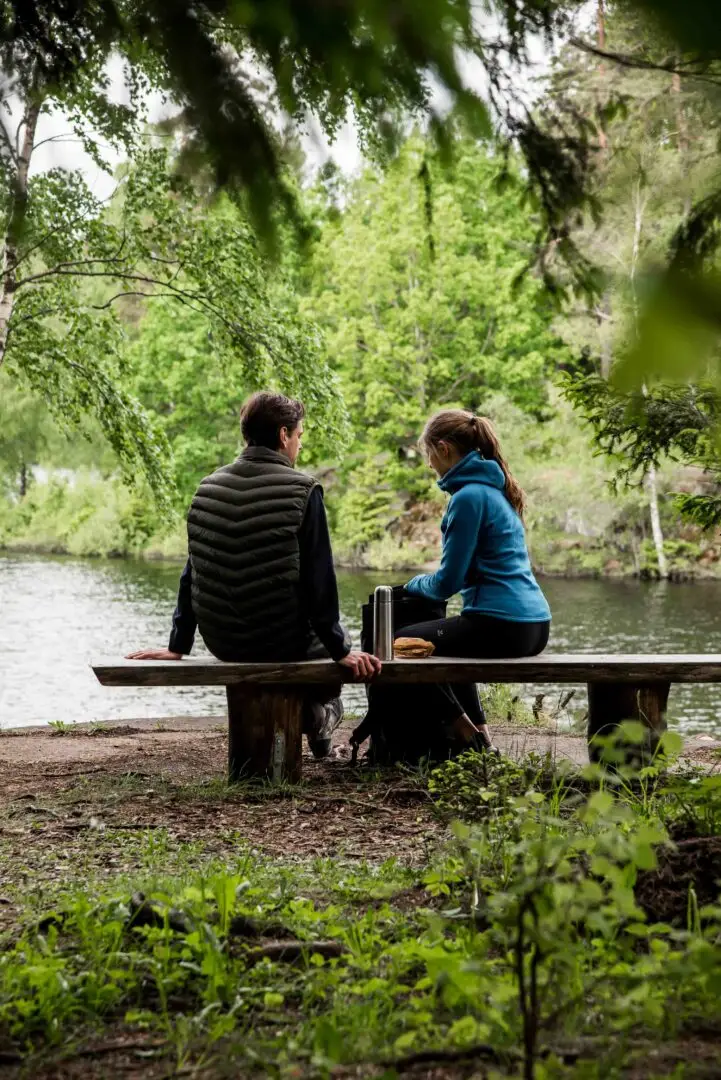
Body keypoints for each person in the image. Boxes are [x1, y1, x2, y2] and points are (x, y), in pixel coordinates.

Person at [127, 391, 381, 758]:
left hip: (224, 641)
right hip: (283, 641)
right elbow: (318, 582)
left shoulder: (206, 488)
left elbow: (192, 572)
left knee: (305, 636)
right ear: (283, 435)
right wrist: (341, 649)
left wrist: (178, 645)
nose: (298, 444)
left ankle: (311, 716)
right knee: (327, 659)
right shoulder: (303, 490)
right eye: (299, 436)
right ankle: (320, 715)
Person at [396, 408, 551, 753]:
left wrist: (411, 585)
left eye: (428, 454)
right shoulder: (494, 491)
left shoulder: (467, 498)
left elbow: (446, 583)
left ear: (444, 449)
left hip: (501, 625)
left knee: (399, 645)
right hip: (536, 625)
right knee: (450, 642)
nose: (429, 464)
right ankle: (482, 734)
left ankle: (467, 735)